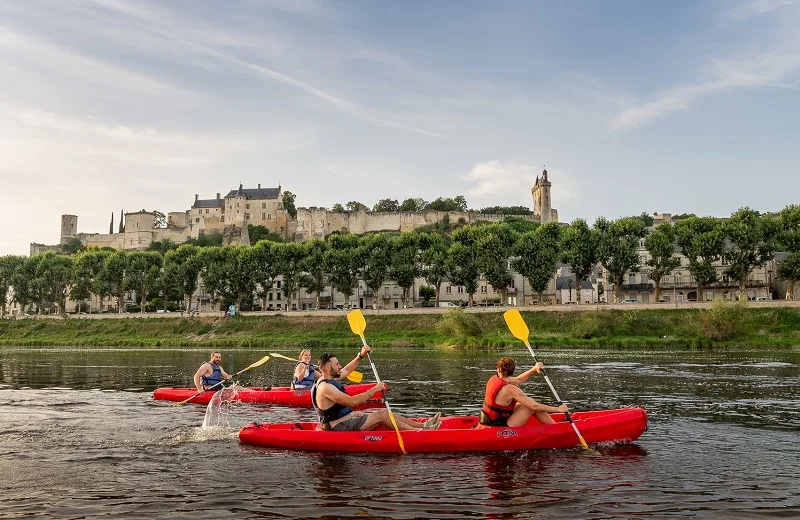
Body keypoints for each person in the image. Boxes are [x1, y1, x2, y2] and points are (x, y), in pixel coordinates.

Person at [312, 347, 442, 431]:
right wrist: (374, 389)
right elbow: (351, 402)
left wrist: (360, 355)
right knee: (380, 415)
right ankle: (419, 432)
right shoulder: (326, 387)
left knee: (385, 412)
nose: (340, 366)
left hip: (347, 419)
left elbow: (346, 369)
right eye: (337, 364)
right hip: (338, 427)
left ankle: (424, 425)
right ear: (328, 368)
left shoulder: (330, 378)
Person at [479, 357, 569, 427]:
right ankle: (556, 427)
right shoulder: (510, 389)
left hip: (492, 418)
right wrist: (558, 409)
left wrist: (534, 369)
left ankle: (553, 425)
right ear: (512, 370)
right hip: (500, 424)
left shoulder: (494, 379)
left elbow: (518, 379)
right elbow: (534, 406)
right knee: (531, 406)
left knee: (529, 400)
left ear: (498, 369)